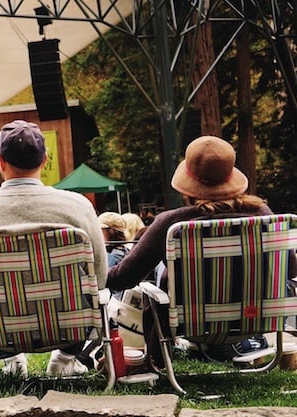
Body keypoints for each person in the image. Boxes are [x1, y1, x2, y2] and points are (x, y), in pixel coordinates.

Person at [105, 136, 297, 358]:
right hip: (255, 318)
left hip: (189, 323)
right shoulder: (264, 216)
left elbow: (124, 278)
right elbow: (290, 271)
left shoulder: (172, 223)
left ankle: (158, 362)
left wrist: (95, 274)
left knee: (152, 294)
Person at [0, 120, 107, 377]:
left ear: (0, 162)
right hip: (70, 327)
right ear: (45, 160)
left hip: (0, 330)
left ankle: (12, 359)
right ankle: (66, 356)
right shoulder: (78, 206)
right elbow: (100, 277)